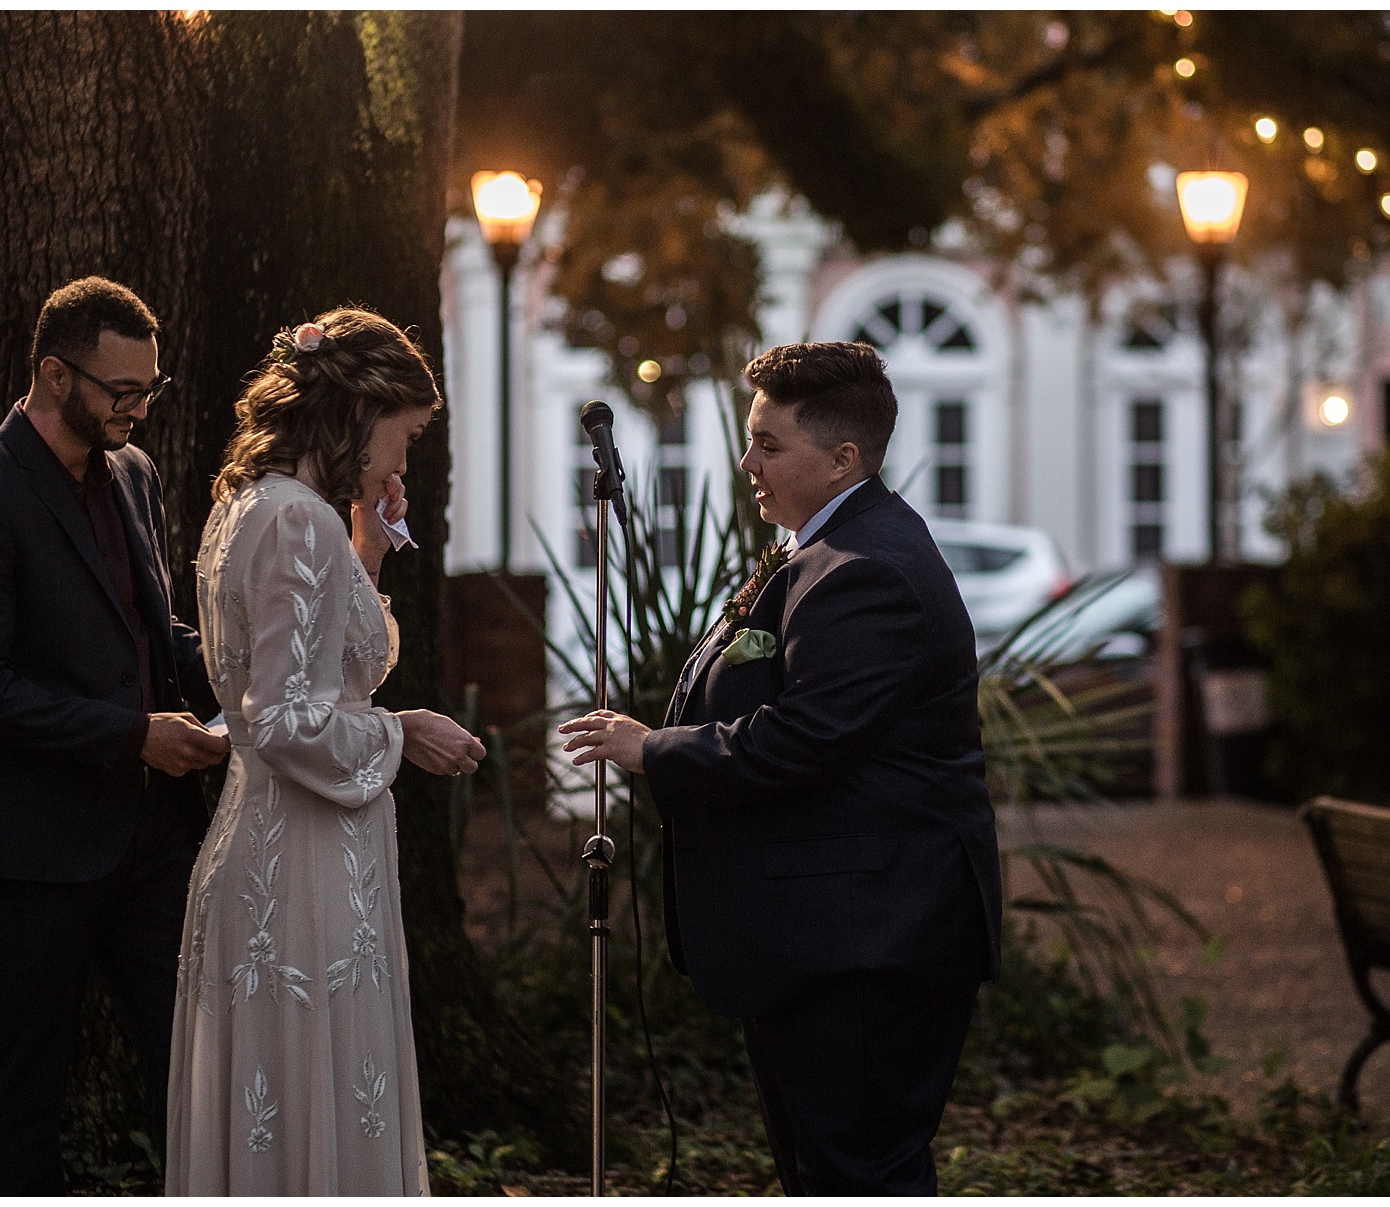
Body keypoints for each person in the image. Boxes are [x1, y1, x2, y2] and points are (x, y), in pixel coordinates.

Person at [559, 341, 1003, 1196]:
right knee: (818, 1172)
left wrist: (651, 749)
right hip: (824, 931)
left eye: (769, 444)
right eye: (748, 438)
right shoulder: (825, 547)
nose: (746, 462)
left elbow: (805, 739)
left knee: (856, 1174)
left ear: (843, 458)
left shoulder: (869, 568)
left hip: (872, 941)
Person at [0, 277, 230, 1195]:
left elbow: (148, 632)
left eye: (150, 389)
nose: (139, 408)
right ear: (54, 375)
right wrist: (131, 734)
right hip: (26, 857)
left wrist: (243, 672)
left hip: (152, 844)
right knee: (23, 1105)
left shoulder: (132, 472)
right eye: (120, 391)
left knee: (196, 1075)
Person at [166, 308, 485, 1196]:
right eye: (406, 436)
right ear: (360, 412)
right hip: (299, 868)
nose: (403, 463)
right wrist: (402, 729)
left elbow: (313, 671)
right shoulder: (295, 521)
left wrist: (368, 555)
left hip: (273, 846)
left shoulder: (250, 506)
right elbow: (281, 720)